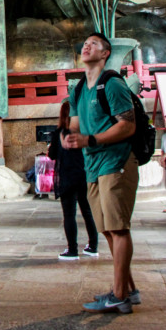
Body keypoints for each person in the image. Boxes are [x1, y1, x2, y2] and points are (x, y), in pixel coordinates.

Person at [63, 32, 139, 314]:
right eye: (84, 43)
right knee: (107, 229)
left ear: (105, 53)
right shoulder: (80, 88)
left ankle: (119, 295)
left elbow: (127, 126)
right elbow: (75, 123)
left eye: (93, 43)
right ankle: (128, 290)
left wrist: (90, 140)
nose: (86, 45)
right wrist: (69, 136)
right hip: (92, 166)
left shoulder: (113, 83)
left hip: (115, 161)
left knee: (118, 228)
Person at [49, 101, 98, 261]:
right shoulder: (84, 132)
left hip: (67, 177)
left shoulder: (59, 133)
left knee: (69, 214)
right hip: (84, 175)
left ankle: (72, 250)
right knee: (88, 212)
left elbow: (52, 155)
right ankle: (92, 246)